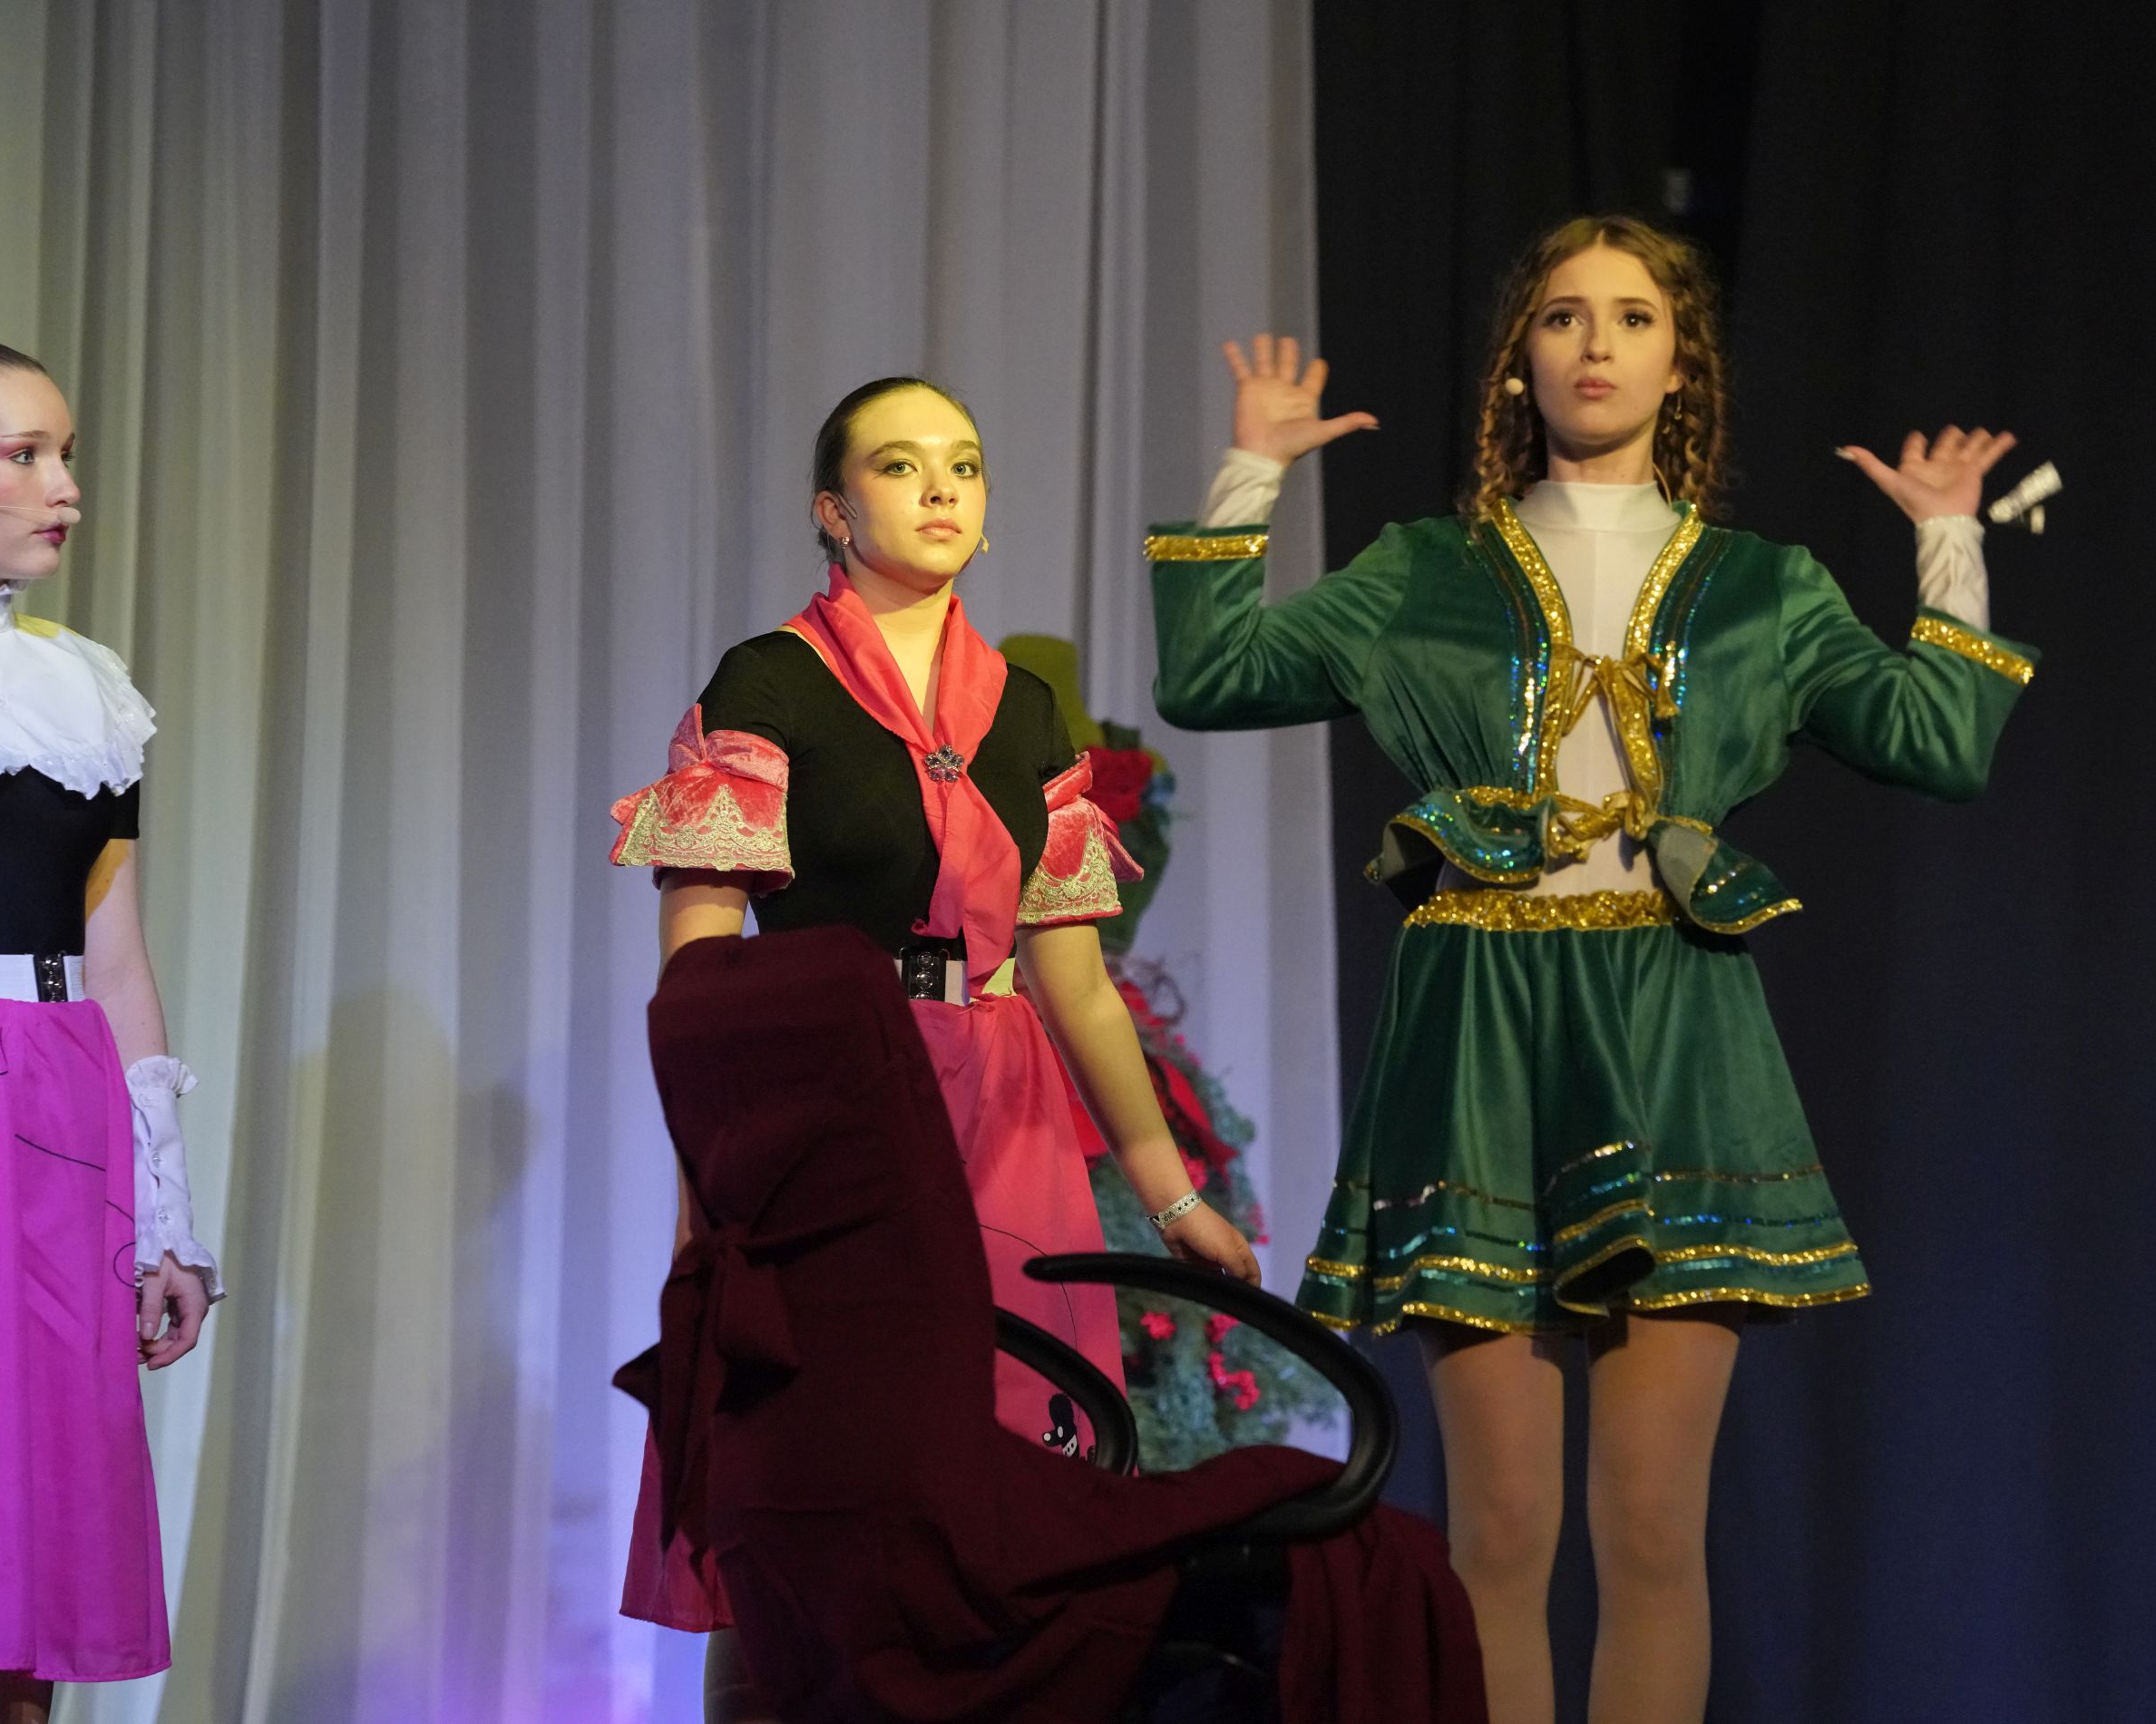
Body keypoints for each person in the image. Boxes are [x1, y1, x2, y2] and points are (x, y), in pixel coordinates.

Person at [1146, 217, 2039, 1724]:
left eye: (1632, 316)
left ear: (1681, 362)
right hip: (1477, 1029)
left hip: (1677, 1023)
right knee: (1499, 1531)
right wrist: (1253, 468)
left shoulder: (1764, 586)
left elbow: (1938, 743)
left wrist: (1949, 540)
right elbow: (1210, 675)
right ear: (1522, 362)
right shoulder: (1423, 571)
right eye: (1564, 316)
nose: (1597, 343)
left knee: (1651, 1531)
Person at [609, 375, 1258, 1720]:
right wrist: (709, 1193)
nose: (942, 487)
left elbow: (1077, 983)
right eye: (901, 466)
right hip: (829, 1116)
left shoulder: (1023, 709)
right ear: (832, 511)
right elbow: (699, 980)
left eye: (962, 463)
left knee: (1000, 1479)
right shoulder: (770, 681)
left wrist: (1171, 1196)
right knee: (812, 1499)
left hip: (1003, 1112)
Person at [0, 301, 221, 1724]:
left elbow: (114, 954)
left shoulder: (86, 688)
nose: (65, 484)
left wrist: (165, 1215)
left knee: (23, 1589)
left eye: (66, 452)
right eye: (23, 454)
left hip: (50, 1113)